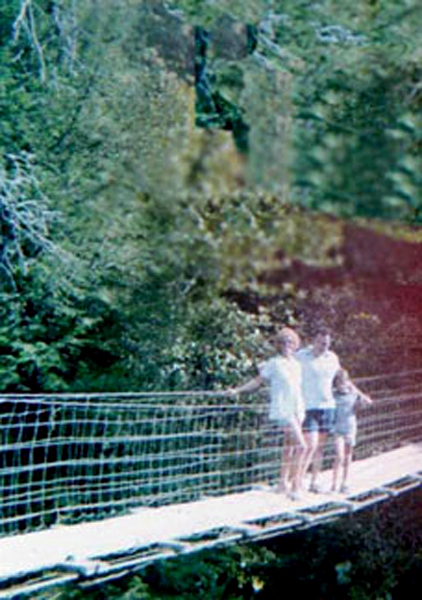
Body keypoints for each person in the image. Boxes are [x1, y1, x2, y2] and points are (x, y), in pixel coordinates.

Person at [228, 327, 306, 499]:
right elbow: (258, 381)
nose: (287, 344)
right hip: (283, 409)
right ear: (279, 344)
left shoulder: (296, 364)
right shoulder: (274, 363)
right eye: (284, 341)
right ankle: (296, 486)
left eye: (290, 341)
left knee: (290, 447)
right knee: (302, 446)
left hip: (297, 409)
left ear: (295, 344)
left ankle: (282, 483)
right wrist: (238, 391)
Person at [296, 329, 340, 493]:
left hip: (327, 406)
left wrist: (359, 394)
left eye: (327, 343)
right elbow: (287, 366)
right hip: (308, 407)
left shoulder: (333, 358)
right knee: (310, 446)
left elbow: (342, 378)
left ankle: (314, 481)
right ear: (314, 340)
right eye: (322, 343)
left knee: (319, 448)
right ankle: (297, 482)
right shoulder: (301, 356)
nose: (324, 346)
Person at [331, 368, 373, 493]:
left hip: (350, 427)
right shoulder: (333, 394)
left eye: (344, 381)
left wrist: (357, 392)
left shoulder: (353, 394)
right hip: (337, 429)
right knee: (339, 456)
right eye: (339, 382)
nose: (342, 384)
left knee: (348, 456)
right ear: (336, 383)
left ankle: (344, 483)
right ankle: (334, 483)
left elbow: (368, 402)